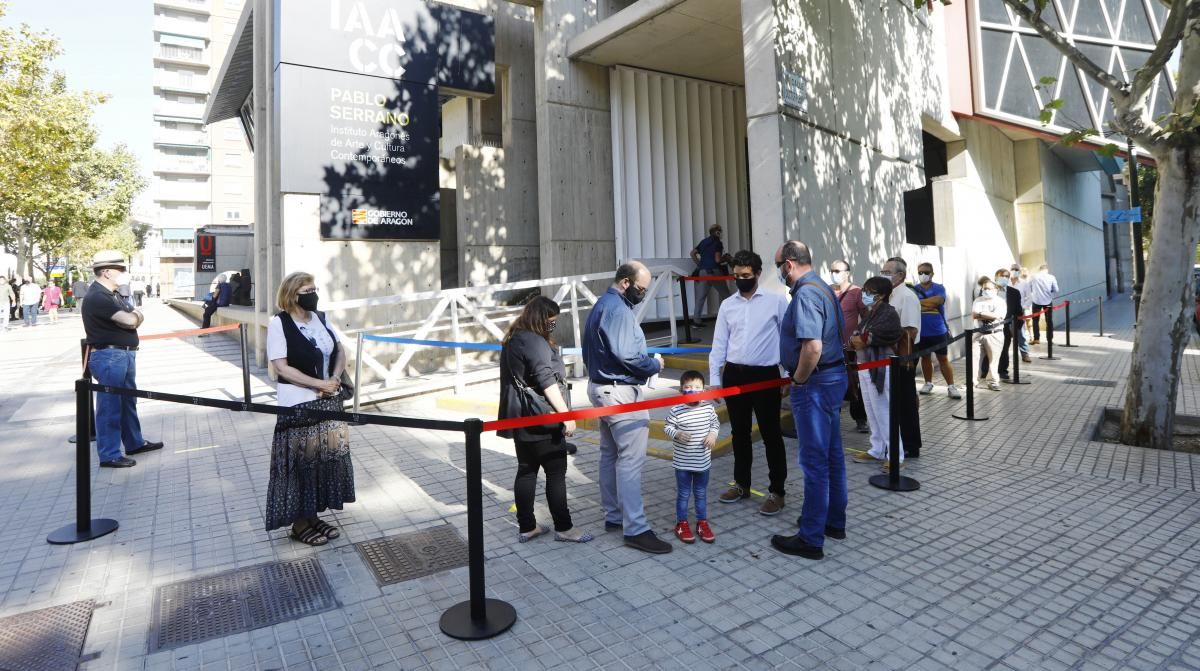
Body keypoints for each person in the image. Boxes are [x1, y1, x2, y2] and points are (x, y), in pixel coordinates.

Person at [582, 261, 670, 554]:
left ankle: (615, 516)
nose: (643, 294)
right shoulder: (618, 310)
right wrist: (653, 365)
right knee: (630, 461)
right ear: (625, 283)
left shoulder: (602, 305)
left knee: (609, 455)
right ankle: (636, 528)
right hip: (620, 392)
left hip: (600, 388)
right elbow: (627, 355)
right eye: (641, 289)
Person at [770, 241, 849, 561]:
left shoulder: (805, 293)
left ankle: (811, 537)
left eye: (778, 266)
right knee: (832, 457)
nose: (779, 272)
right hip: (831, 379)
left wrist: (798, 379)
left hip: (815, 384)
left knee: (814, 462)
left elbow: (812, 346)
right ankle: (833, 521)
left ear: (789, 265)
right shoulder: (824, 287)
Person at [265, 271, 355, 546]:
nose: (314, 294)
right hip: (298, 403)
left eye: (315, 289)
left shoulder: (321, 318)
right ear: (293, 295)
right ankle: (299, 524)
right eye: (308, 290)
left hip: (328, 400)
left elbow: (339, 350)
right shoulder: (279, 324)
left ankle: (313, 515)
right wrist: (318, 383)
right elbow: (281, 367)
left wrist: (335, 378)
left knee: (323, 461)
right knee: (301, 464)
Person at [498, 296, 593, 544]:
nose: (553, 325)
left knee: (526, 471)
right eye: (551, 321)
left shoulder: (513, 338)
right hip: (543, 418)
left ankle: (527, 527)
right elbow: (546, 380)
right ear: (542, 319)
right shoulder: (534, 341)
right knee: (555, 472)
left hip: (520, 418)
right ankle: (565, 528)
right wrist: (566, 415)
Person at [710, 250, 790, 513]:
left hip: (765, 376)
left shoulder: (776, 302)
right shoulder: (727, 305)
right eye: (736, 275)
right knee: (738, 433)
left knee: (770, 434)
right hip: (734, 375)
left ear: (757, 274)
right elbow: (719, 343)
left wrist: (787, 374)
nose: (740, 279)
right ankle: (741, 484)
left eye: (745, 275)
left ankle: (777, 491)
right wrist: (714, 381)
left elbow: (788, 339)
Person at [82, 251, 164, 468]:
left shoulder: (113, 295)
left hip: (123, 354)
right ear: (107, 272)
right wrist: (136, 317)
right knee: (110, 406)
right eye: (121, 270)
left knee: (128, 402)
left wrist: (135, 317)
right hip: (110, 356)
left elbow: (131, 317)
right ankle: (109, 454)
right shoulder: (98, 296)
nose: (124, 274)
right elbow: (129, 319)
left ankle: (134, 442)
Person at [849, 277, 904, 468]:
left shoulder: (889, 313)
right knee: (872, 412)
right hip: (865, 367)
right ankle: (877, 449)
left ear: (880, 295)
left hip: (881, 368)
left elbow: (869, 337)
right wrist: (860, 338)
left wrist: (862, 338)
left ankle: (896, 455)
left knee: (884, 411)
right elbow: (856, 336)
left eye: (868, 291)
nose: (864, 294)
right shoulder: (870, 313)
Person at [664, 370, 720, 544]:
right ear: (681, 390)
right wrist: (676, 433)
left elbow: (715, 424)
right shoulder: (676, 409)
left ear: (703, 390)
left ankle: (702, 523)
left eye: (697, 387)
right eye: (688, 387)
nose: (693, 390)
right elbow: (667, 427)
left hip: (703, 463)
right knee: (683, 494)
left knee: (701, 494)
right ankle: (682, 523)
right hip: (682, 464)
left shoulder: (708, 408)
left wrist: (713, 434)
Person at [882, 257, 923, 459]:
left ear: (901, 275)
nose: (885, 275)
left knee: (906, 400)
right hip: (890, 355)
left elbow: (910, 331)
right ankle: (897, 441)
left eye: (888, 272)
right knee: (895, 401)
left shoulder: (906, 296)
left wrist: (902, 358)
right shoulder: (889, 296)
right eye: (883, 271)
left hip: (903, 356)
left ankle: (910, 444)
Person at [829, 259, 870, 433]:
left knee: (855, 383)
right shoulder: (827, 291)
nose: (834, 274)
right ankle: (832, 418)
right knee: (832, 382)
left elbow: (867, 316)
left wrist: (858, 334)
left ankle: (860, 418)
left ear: (847, 273)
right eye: (832, 270)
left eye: (838, 271)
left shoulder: (857, 292)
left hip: (851, 349)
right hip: (831, 347)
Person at [913, 262, 961, 399]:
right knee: (925, 357)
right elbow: (914, 305)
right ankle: (928, 383)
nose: (923, 275)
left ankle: (951, 386)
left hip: (938, 330)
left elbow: (938, 301)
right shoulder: (913, 289)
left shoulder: (939, 287)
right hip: (920, 331)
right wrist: (928, 304)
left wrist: (920, 303)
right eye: (920, 272)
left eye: (926, 272)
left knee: (943, 359)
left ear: (932, 274)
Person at [689, 225, 731, 326]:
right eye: (720, 232)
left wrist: (700, 264)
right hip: (715, 271)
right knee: (726, 295)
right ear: (717, 232)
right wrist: (725, 258)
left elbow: (692, 253)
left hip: (703, 272)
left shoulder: (703, 242)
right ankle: (728, 319)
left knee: (700, 297)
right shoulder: (718, 243)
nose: (721, 234)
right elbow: (717, 260)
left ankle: (696, 321)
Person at [995, 268, 1031, 379]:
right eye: (1002, 275)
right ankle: (986, 370)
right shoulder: (990, 290)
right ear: (996, 277)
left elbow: (1018, 311)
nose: (1004, 278)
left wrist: (1016, 327)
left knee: (1004, 348)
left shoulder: (1014, 292)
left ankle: (1002, 371)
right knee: (990, 349)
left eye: (1007, 276)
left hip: (1006, 324)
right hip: (991, 324)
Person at [972, 277, 1006, 390]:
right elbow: (974, 315)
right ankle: (972, 381)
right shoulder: (978, 300)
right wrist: (987, 314)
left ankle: (992, 381)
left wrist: (981, 313)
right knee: (974, 359)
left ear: (995, 289)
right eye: (984, 288)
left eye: (989, 288)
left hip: (995, 333)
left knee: (993, 360)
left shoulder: (1000, 301)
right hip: (978, 333)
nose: (986, 290)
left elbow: (998, 315)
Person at [1029, 264, 1059, 345]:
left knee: (1035, 320)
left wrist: (1034, 293)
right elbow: (1056, 289)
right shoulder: (1051, 277)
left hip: (1036, 301)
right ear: (1046, 270)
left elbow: (1029, 287)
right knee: (1049, 321)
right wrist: (1050, 293)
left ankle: (1036, 339)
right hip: (1048, 301)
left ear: (1040, 269)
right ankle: (1049, 340)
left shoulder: (1033, 276)